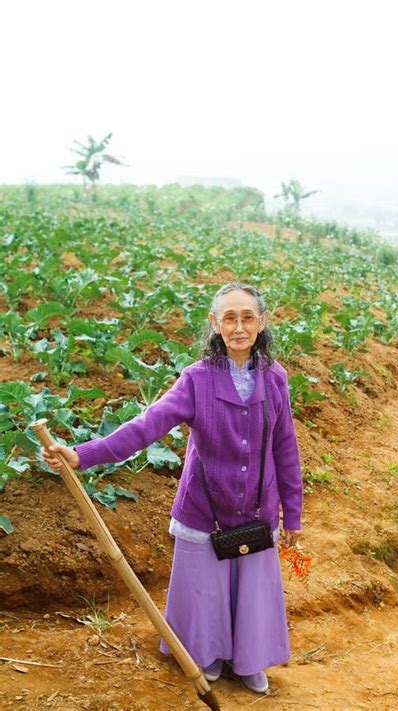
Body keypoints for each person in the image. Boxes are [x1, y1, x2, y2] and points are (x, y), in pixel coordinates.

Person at [42, 282, 303, 694]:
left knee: (253, 591)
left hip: (257, 509)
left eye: (247, 317)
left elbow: (285, 447)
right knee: (206, 590)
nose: (239, 327)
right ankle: (210, 654)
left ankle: (249, 658)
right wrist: (82, 454)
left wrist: (293, 512)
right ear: (215, 324)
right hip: (205, 508)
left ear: (261, 322)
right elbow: (147, 426)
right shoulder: (196, 380)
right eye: (229, 318)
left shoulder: (275, 379)